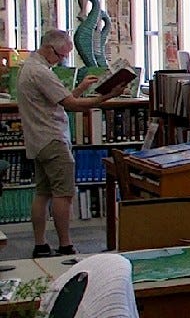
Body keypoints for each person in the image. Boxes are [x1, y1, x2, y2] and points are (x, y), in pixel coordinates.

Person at [17, 30, 127, 258]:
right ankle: (66, 245)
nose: (62, 61)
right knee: (63, 194)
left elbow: (59, 101)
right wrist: (108, 96)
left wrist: (82, 88)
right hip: (52, 139)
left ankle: (40, 244)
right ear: (49, 49)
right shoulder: (41, 72)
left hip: (38, 140)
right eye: (61, 55)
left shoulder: (30, 67)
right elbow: (73, 106)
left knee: (43, 192)